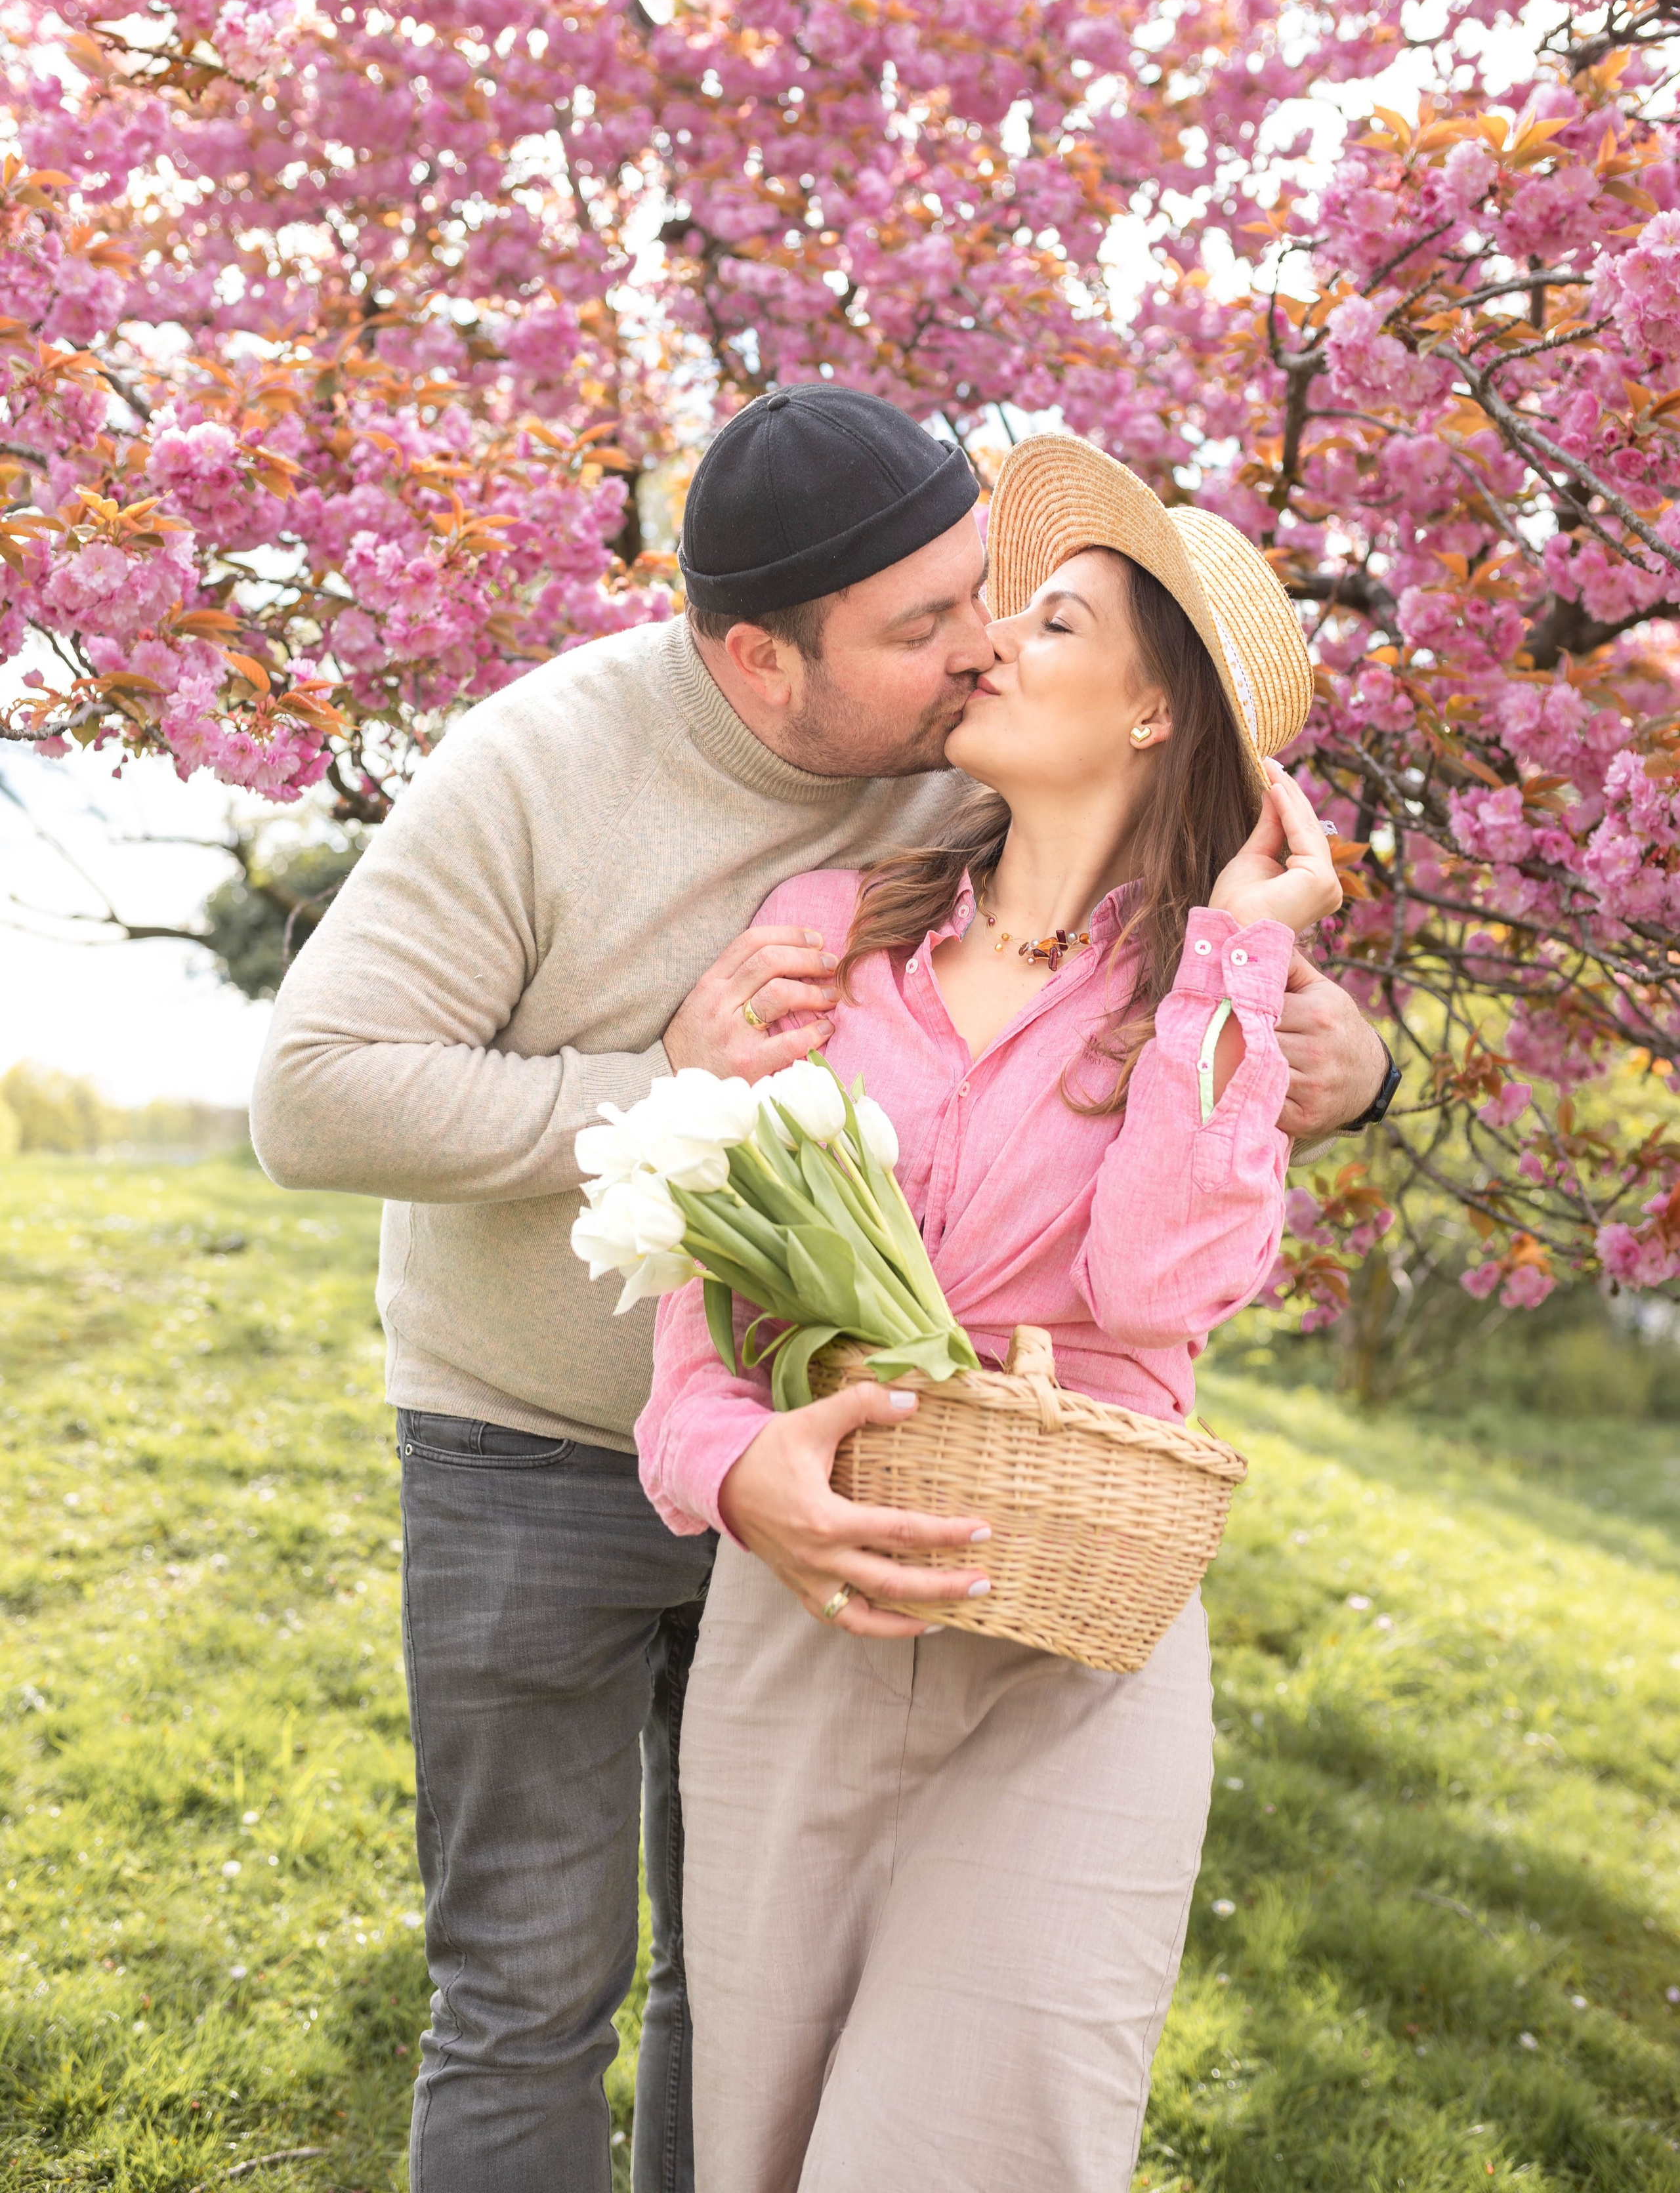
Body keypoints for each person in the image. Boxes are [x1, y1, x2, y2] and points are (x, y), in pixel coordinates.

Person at [249, 392, 1392, 2193]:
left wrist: (1324, 1038)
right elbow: (318, 1101)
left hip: (939, 1527)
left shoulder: (998, 806)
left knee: (755, 2027)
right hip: (534, 1445)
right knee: (529, 1992)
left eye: (998, 600)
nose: (978, 647)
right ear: (765, 663)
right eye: (930, 624)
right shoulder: (583, 785)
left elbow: (1175, 1163)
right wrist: (668, 1105)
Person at [636, 432, 1349, 2192]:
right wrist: (725, 1470)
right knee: (762, 2149)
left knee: (970, 2149)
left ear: (1153, 712)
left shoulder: (1211, 1000)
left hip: (1069, 1661)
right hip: (806, 1624)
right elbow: (710, 1271)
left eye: (1052, 623)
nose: (989, 645)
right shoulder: (831, 931)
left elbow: (1158, 1294)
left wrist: (1235, 961)